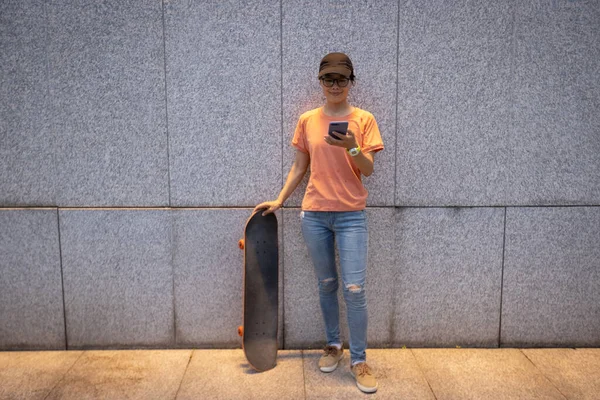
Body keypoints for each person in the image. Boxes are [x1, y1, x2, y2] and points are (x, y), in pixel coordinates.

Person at [254, 52, 384, 394]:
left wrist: (353, 147)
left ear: (351, 82)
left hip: (351, 216)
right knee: (326, 284)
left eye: (342, 79)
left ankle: (359, 360)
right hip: (314, 215)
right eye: (329, 79)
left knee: (355, 290)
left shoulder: (364, 119)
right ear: (320, 82)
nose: (335, 85)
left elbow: (368, 170)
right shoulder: (307, 120)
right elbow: (299, 167)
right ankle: (333, 346)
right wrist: (280, 199)